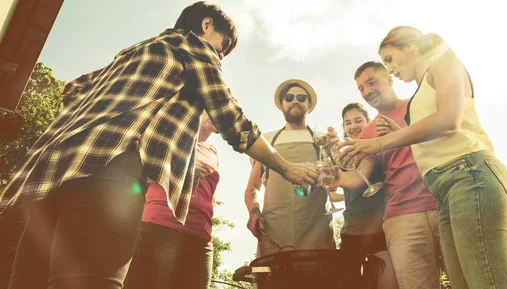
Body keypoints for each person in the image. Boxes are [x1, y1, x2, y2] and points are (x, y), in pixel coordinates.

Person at [0, 2, 316, 289]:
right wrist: (287, 167)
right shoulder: (192, 46)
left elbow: (75, 88)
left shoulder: (136, 51)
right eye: (223, 47)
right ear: (207, 26)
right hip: (109, 176)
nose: (220, 56)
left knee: (28, 281)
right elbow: (233, 121)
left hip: (53, 177)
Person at [338, 26, 507, 289]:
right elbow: (430, 142)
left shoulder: (444, 59)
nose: (389, 69)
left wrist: (380, 142)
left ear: (409, 47)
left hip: (470, 176)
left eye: (389, 60)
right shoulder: (420, 92)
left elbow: (449, 121)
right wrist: (397, 134)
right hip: (444, 189)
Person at [332, 62, 443, 289]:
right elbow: (360, 176)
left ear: (390, 80)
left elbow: (445, 142)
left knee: (468, 280)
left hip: (443, 202)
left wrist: (398, 134)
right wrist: (338, 179)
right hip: (401, 216)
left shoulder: (419, 105)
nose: (367, 91)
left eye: (371, 82)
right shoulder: (368, 133)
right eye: (361, 88)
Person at [124, 111, 219, 289]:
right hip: (161, 227)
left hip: (201, 236)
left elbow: (210, 194)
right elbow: (139, 172)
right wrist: (182, 171)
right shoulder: (168, 136)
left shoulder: (213, 152)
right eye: (215, 106)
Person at [244, 79, 336, 257]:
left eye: (301, 98)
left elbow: (336, 182)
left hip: (317, 231)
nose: (295, 101)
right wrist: (254, 211)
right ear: (281, 105)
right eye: (289, 97)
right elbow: (253, 187)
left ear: (308, 105)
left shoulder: (323, 139)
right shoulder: (266, 140)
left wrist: (336, 152)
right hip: (274, 230)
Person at [334, 102, 398, 289]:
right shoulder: (343, 156)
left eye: (358, 120)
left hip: (380, 230)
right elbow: (349, 193)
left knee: (388, 284)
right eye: (347, 123)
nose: (353, 126)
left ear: (368, 122)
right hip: (351, 231)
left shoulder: (378, 147)